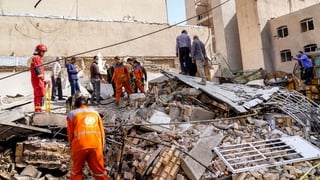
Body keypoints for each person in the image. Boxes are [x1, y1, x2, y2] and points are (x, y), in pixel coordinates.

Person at [66, 96, 108, 180]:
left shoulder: (72, 114)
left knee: (76, 171)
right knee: (99, 171)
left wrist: (71, 145)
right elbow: (102, 131)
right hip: (96, 145)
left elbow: (70, 134)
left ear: (76, 105)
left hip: (79, 145)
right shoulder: (95, 113)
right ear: (86, 104)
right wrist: (102, 145)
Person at [30, 43, 48, 113]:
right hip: (38, 80)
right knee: (40, 95)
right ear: (39, 51)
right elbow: (38, 70)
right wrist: (42, 80)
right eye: (43, 51)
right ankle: (38, 110)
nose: (44, 53)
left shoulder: (38, 58)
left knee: (38, 95)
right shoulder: (36, 58)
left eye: (44, 52)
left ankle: (38, 110)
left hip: (37, 80)